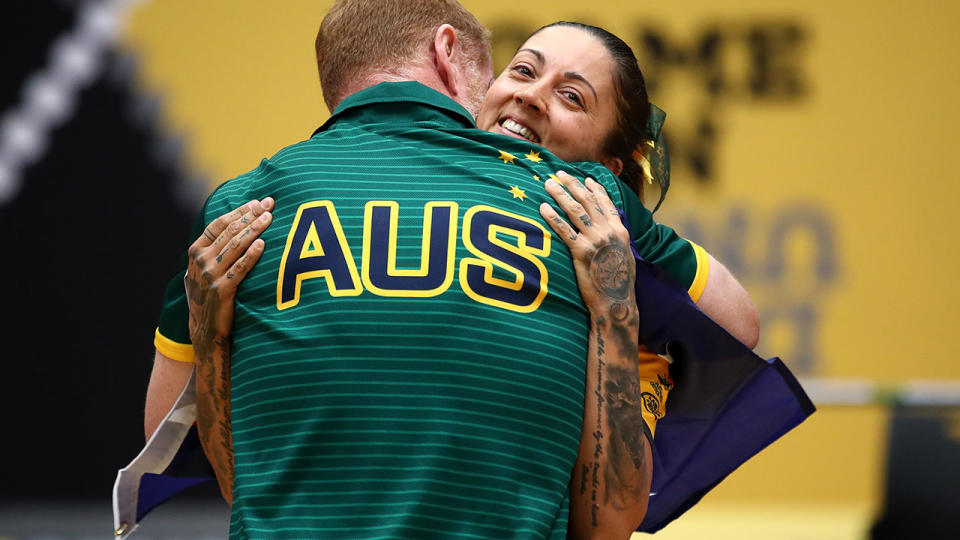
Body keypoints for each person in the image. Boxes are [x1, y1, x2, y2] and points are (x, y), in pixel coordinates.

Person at [143, 2, 759, 537]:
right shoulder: (243, 228)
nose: (528, 95)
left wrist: (617, 303)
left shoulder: (245, 209)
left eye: (572, 97)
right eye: (521, 69)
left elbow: (187, 459)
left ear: (614, 169)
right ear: (448, 54)